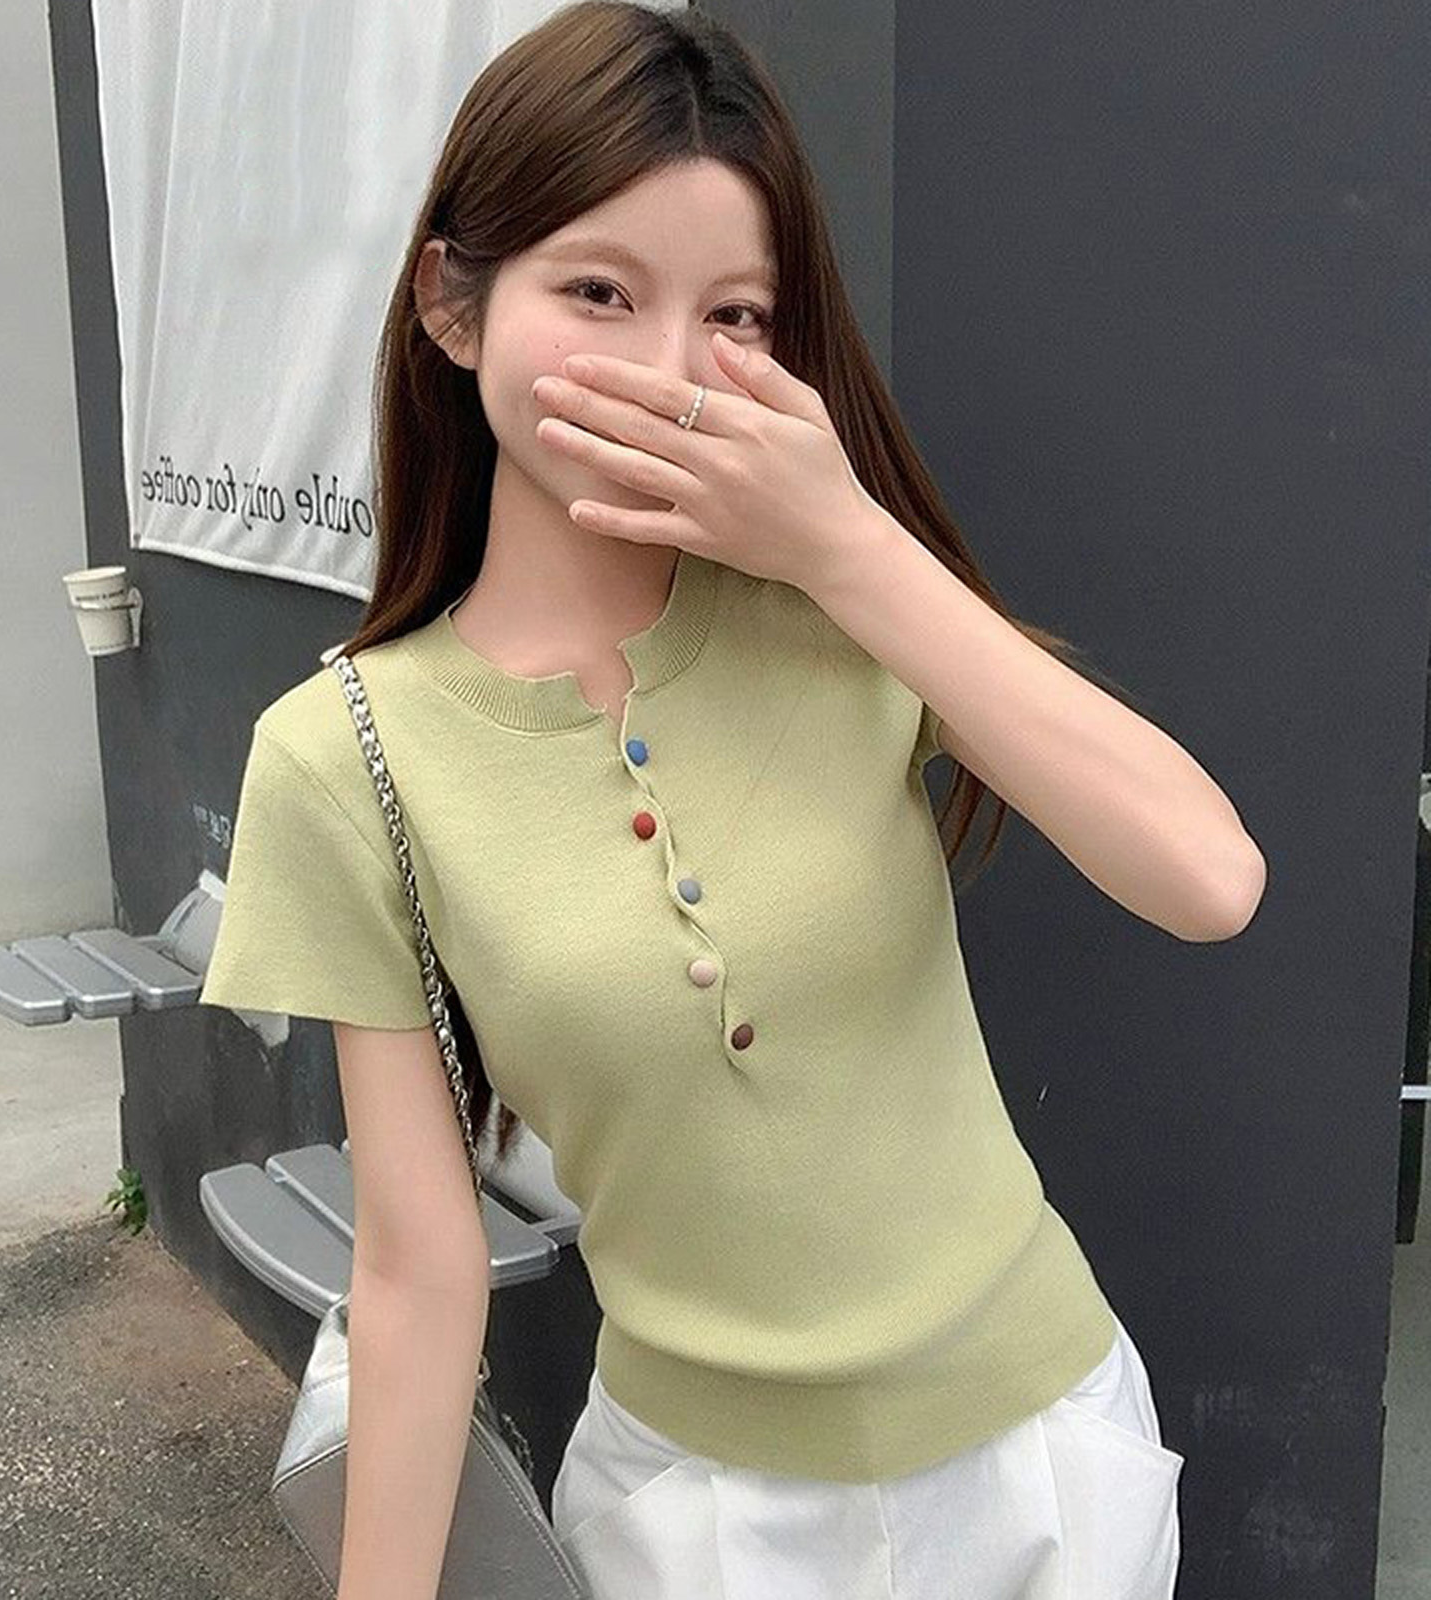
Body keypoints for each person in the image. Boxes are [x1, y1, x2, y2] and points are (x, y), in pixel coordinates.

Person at [199, 4, 1265, 1596]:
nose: (665, 369)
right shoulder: (340, 758)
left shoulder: (842, 608)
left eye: (735, 316)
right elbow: (417, 1270)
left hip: (1044, 1467)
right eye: (598, 291)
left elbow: (1207, 878)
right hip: (699, 1524)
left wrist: (844, 544)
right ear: (452, 303)